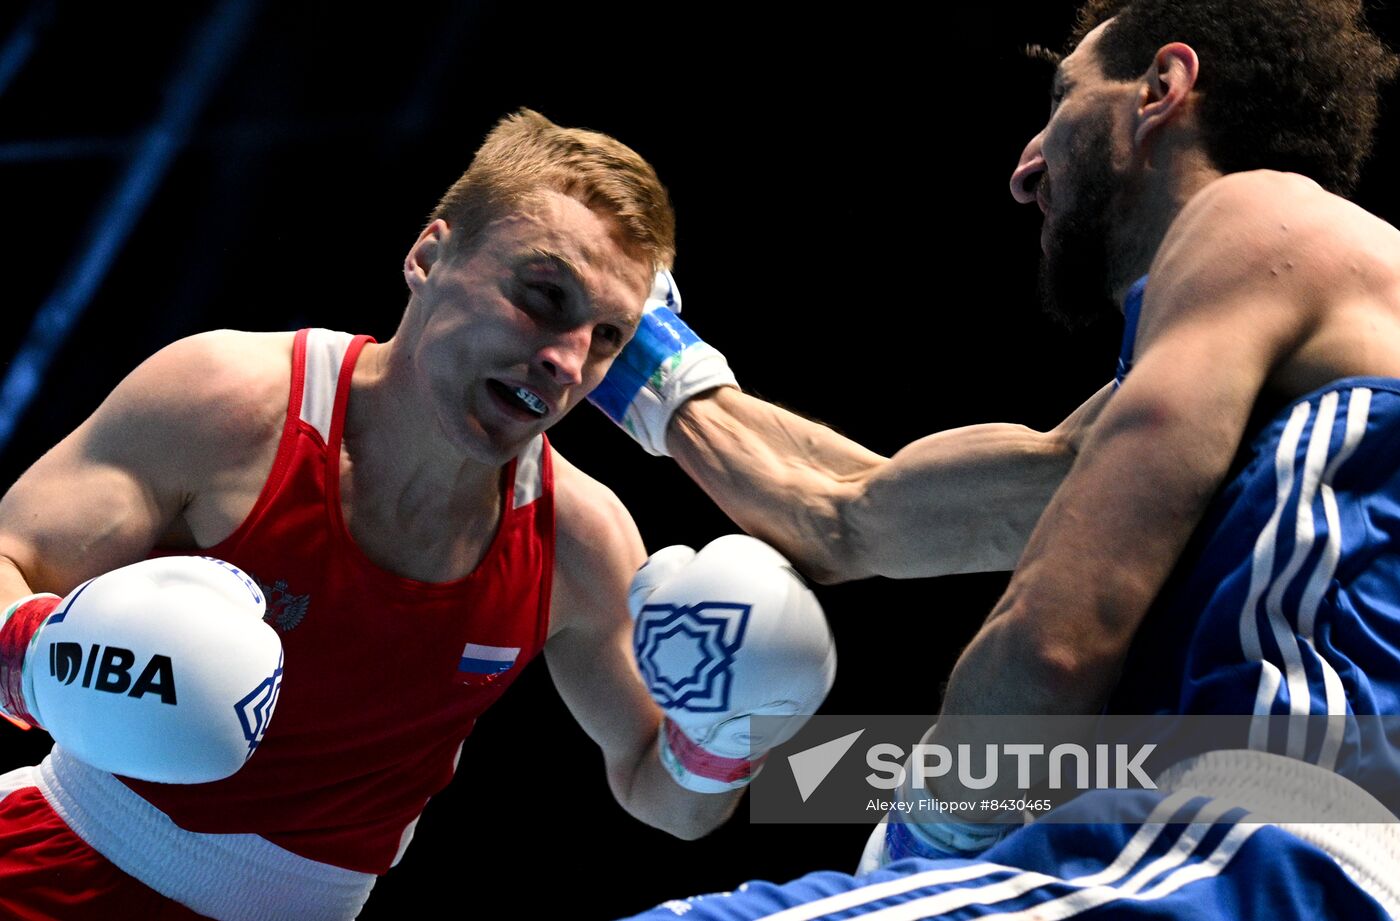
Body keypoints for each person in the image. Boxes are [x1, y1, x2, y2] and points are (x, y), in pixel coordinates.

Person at [593, 0, 1400, 915]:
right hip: (1259, 848)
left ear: (1162, 89)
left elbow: (1054, 646)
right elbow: (850, 513)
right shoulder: (1267, 384)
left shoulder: (1260, 217)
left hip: (1277, 840)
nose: (1025, 169)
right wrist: (630, 350)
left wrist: (921, 832)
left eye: (1063, 97)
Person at [0, 109, 836, 921]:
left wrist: (728, 735)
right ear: (429, 255)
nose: (566, 359)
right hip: (46, 864)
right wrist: (42, 656)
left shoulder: (580, 540)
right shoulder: (228, 405)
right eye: (544, 295)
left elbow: (668, 802)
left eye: (608, 335)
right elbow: (12, 556)